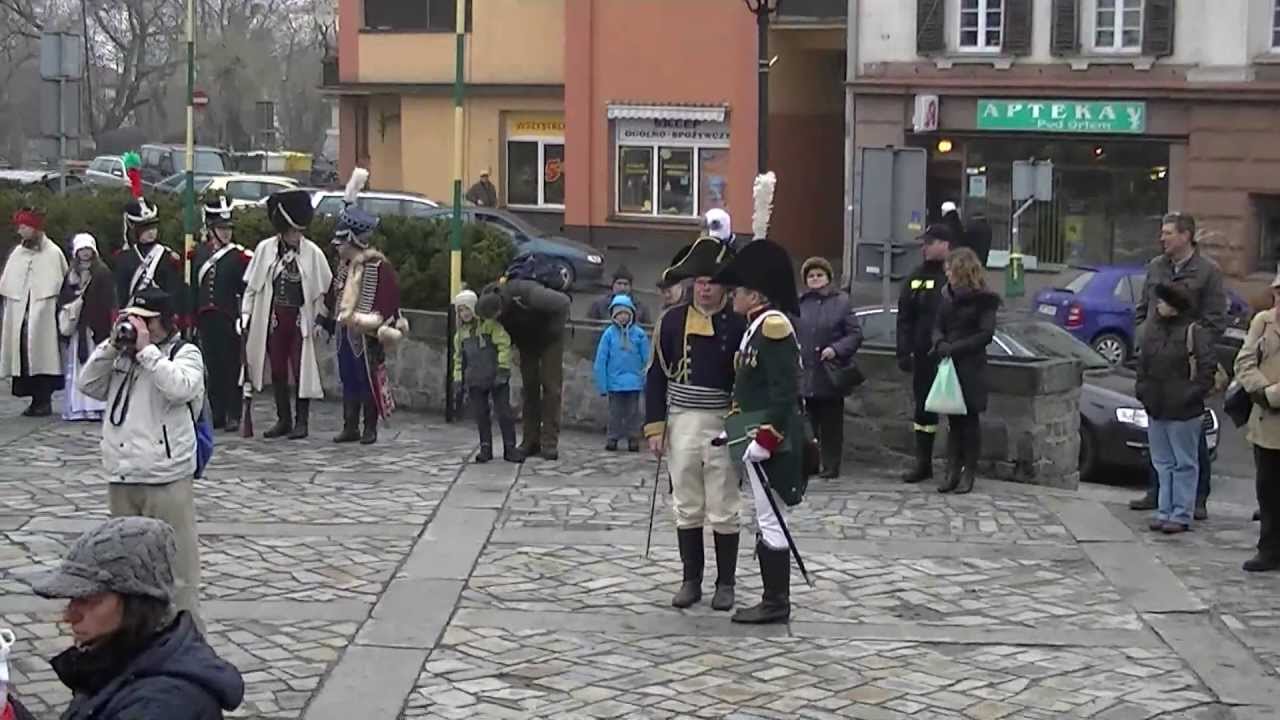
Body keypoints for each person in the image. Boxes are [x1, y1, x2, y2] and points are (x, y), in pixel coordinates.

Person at [77, 288, 206, 625]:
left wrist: (148, 351)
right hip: (122, 476)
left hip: (166, 478)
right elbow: (87, 384)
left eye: (144, 320)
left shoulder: (184, 352)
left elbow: (182, 387)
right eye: (131, 318)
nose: (136, 327)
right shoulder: (121, 355)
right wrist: (110, 345)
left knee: (178, 574)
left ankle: (188, 647)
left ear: (164, 321)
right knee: (126, 572)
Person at [33, 517, 244, 719]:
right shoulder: (115, 657)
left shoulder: (162, 705)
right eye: (72, 599)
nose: (69, 616)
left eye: (89, 599)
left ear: (136, 604)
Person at [644, 233, 744, 610]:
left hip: (722, 419)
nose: (704, 289)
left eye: (712, 283)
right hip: (682, 419)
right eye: (700, 282)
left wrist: (740, 427)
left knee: (724, 503)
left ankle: (726, 583)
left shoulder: (738, 325)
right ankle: (691, 580)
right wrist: (655, 427)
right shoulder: (671, 322)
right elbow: (656, 375)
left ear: (725, 287)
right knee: (686, 501)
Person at [713, 237, 807, 625]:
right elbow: (750, 390)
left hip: (774, 443)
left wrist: (767, 437)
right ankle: (773, 597)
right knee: (765, 517)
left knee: (771, 518)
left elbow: (785, 390)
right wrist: (736, 433)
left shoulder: (773, 326)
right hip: (754, 438)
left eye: (737, 291)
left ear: (754, 295)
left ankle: (776, 601)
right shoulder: (755, 326)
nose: (731, 296)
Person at [1130, 213, 1225, 519]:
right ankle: (1159, 495)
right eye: (1162, 232)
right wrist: (1144, 336)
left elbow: (1214, 319)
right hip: (1157, 357)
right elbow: (1143, 308)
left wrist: (1196, 344)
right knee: (1159, 436)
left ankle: (1194, 500)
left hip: (1187, 361)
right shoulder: (1156, 267)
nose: (1163, 238)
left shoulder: (1208, 271)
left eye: (1169, 233)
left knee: (1189, 437)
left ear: (1186, 236)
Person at [241, 189, 333, 440]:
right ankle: (284, 419)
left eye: (300, 232)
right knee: (278, 370)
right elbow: (253, 286)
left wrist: (319, 319)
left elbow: (323, 291)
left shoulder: (312, 253)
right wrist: (246, 316)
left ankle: (302, 422)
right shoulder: (265, 249)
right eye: (293, 232)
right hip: (272, 320)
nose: (297, 237)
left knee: (302, 371)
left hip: (299, 320)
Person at [324, 195, 407, 445]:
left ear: (352, 240)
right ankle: (350, 426)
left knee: (368, 380)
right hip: (344, 332)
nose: (337, 248)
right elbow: (335, 295)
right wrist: (326, 321)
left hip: (367, 334)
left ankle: (369, 427)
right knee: (348, 378)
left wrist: (376, 324)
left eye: (341, 243)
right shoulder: (343, 265)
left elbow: (388, 300)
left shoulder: (378, 266)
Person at [1137, 283, 1214, 534]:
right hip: (1157, 407)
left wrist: (1188, 396)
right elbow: (1143, 365)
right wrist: (1144, 392)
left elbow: (1206, 372)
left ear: (1175, 306)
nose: (1158, 305)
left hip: (1184, 410)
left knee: (1184, 463)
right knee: (1162, 462)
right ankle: (1164, 510)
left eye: (1163, 302)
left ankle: (1181, 513)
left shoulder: (1195, 332)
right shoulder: (1153, 331)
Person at [482, 271, 571, 460]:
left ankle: (549, 443)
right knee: (529, 388)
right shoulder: (491, 305)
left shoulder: (527, 294)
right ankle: (530, 441)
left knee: (551, 387)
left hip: (550, 338)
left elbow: (563, 303)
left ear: (501, 307)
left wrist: (552, 333)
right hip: (526, 342)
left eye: (496, 316)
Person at [932, 247, 1000, 495]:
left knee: (969, 422)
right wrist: (939, 343)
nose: (947, 274)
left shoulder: (985, 300)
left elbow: (985, 334)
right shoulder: (946, 297)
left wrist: (955, 348)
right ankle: (951, 471)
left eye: (950, 270)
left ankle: (968, 472)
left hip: (970, 366)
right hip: (949, 364)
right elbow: (937, 325)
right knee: (953, 422)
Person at [797, 256, 862, 479]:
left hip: (829, 371)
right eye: (811, 275)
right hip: (806, 370)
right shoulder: (800, 303)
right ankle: (810, 463)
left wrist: (836, 349)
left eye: (819, 275)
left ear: (828, 277)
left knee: (831, 424)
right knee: (807, 422)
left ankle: (831, 464)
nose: (815, 279)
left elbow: (854, 334)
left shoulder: (841, 302)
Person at [897, 224, 952, 484]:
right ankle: (923, 462)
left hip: (952, 355)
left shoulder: (956, 274)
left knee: (958, 413)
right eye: (924, 242)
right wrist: (903, 351)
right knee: (923, 412)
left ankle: (957, 466)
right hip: (923, 356)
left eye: (930, 242)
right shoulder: (916, 276)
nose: (924, 247)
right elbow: (905, 318)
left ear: (945, 244)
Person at [1, 207, 68, 417]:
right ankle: (33, 398)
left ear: (34, 229)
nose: (20, 231)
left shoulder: (53, 253)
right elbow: (9, 284)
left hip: (43, 316)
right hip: (21, 316)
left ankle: (43, 400)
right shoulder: (17, 253)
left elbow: (61, 283)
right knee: (24, 358)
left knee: (44, 357)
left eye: (24, 227)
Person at [192, 195, 252, 433]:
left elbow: (246, 289)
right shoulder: (199, 254)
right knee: (213, 367)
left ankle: (234, 413)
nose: (226, 233)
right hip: (207, 318)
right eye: (221, 228)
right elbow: (194, 288)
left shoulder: (239, 256)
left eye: (228, 229)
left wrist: (244, 316)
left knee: (231, 368)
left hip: (229, 318)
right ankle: (216, 413)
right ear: (211, 229)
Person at [1234, 273, 1280, 571]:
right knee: (1268, 491)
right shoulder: (1263, 321)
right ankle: (1269, 550)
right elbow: (1244, 362)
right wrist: (1265, 391)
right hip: (1267, 423)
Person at [457, 290, 523, 463]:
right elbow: (458, 358)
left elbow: (504, 344)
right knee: (481, 414)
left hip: (496, 377)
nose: (464, 314)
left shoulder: (490, 326)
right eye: (460, 310)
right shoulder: (460, 335)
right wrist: (458, 379)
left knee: (504, 413)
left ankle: (510, 448)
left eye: (467, 309)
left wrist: (503, 368)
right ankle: (485, 447)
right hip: (475, 380)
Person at [58, 233, 116, 422]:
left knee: (95, 364)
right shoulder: (71, 274)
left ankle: (96, 406)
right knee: (78, 367)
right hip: (78, 328)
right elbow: (63, 298)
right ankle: (78, 406)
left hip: (95, 328)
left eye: (87, 250)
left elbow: (108, 300)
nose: (84, 254)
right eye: (81, 250)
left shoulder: (102, 272)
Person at [593, 294, 649, 452]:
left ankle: (633, 438)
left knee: (633, 413)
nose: (623, 317)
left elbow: (647, 359)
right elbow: (601, 360)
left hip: (634, 382)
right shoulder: (609, 335)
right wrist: (602, 385)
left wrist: (646, 380)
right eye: (619, 314)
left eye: (626, 313)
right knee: (614, 413)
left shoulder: (639, 334)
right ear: (613, 315)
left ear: (631, 314)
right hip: (614, 383)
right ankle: (612, 438)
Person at [114, 198, 184, 313]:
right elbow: (121, 293)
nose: (151, 232)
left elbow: (173, 290)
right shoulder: (124, 257)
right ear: (135, 229)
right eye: (145, 228)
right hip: (133, 313)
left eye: (153, 227)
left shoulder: (166, 256)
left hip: (159, 315)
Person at [587, 266, 652, 324]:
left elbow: (648, 329)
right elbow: (589, 327)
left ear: (630, 287)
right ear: (613, 285)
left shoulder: (641, 307)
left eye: (625, 284)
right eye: (619, 283)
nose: (622, 288)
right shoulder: (599, 304)